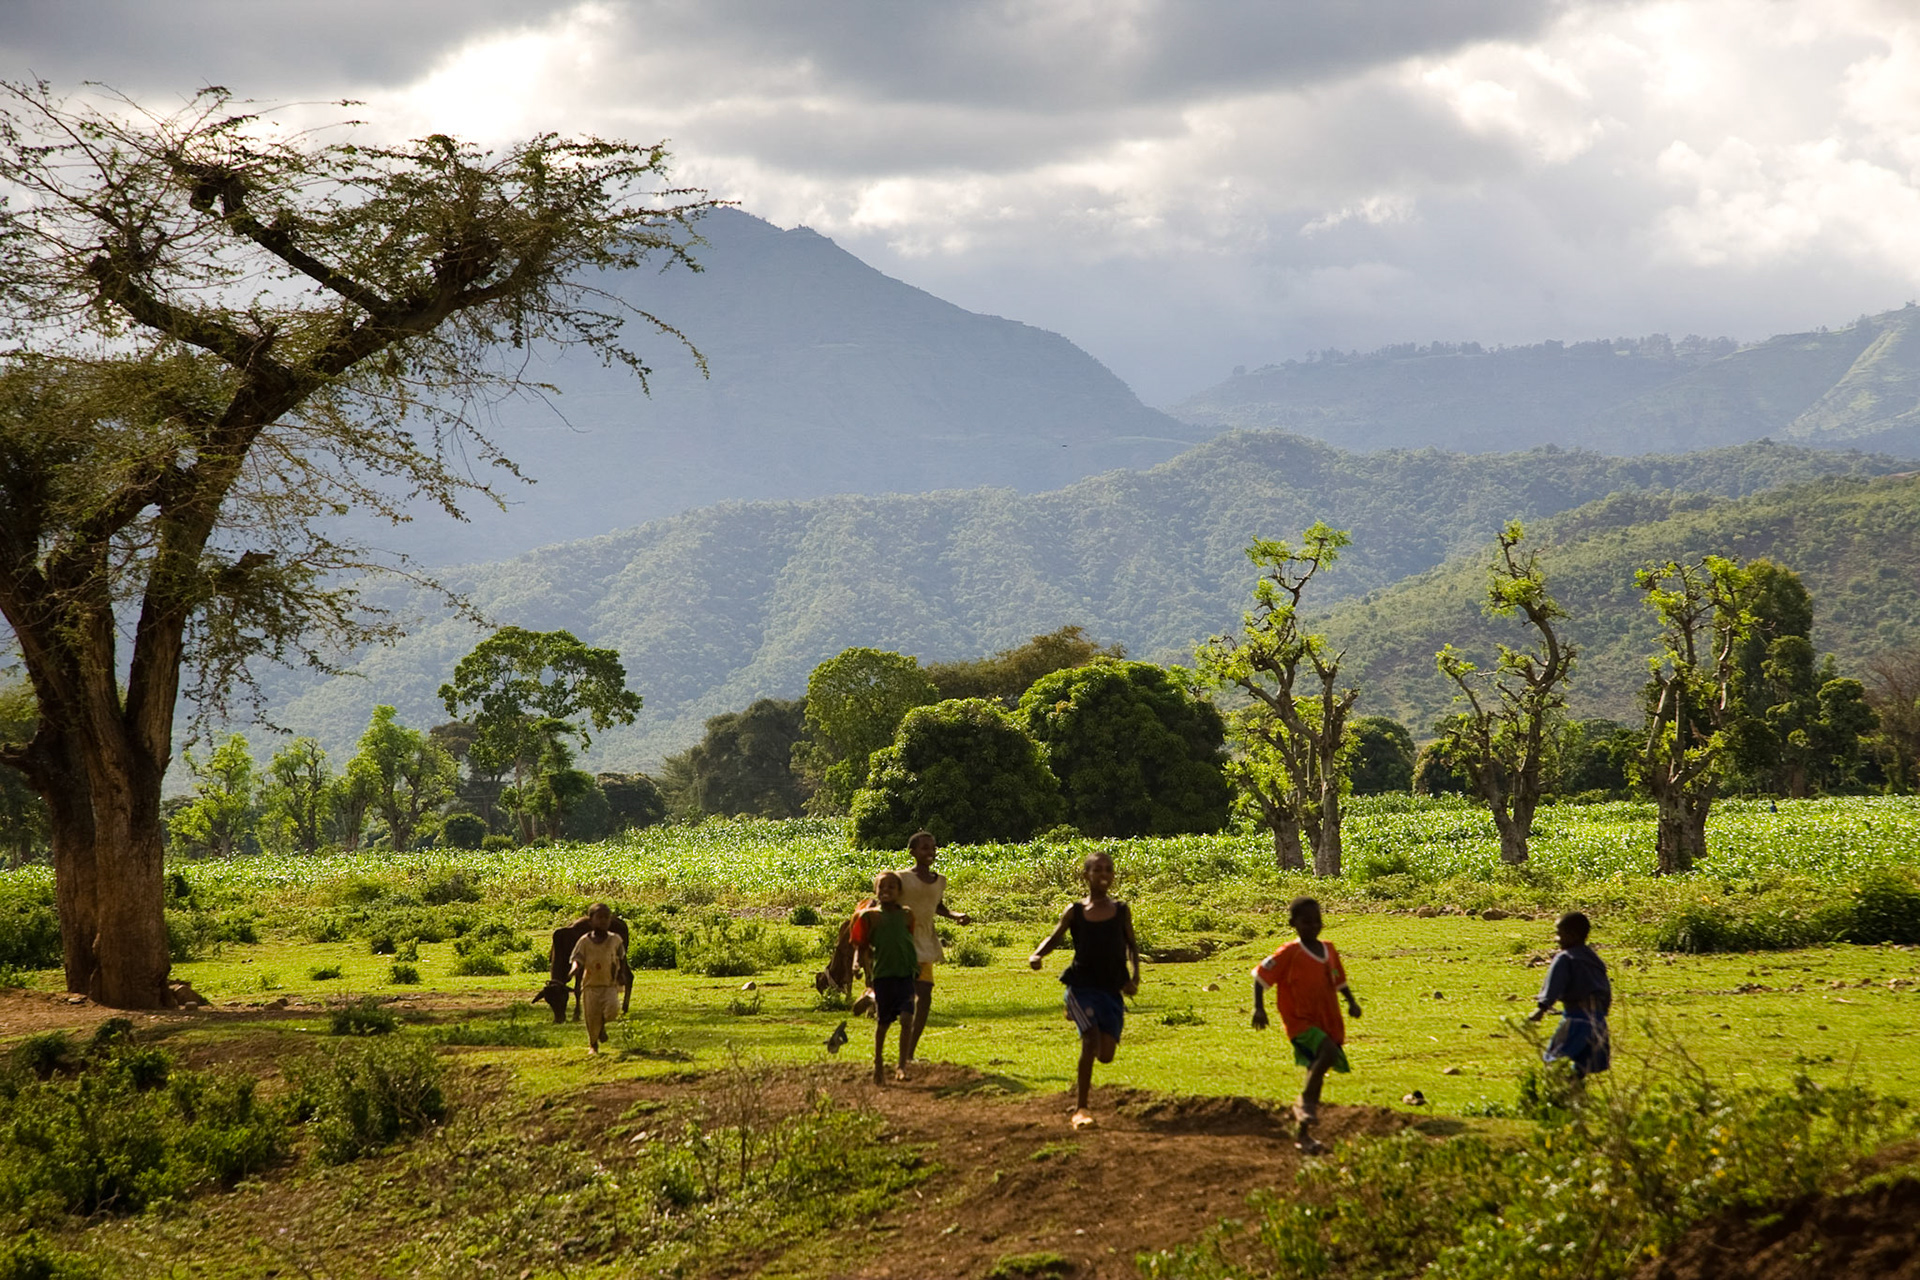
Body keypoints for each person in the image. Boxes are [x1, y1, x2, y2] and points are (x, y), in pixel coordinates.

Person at [1029, 849, 1140, 1130]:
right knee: (1089, 1041)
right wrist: (1037, 955)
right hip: (1081, 986)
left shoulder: (1121, 911)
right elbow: (1054, 937)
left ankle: (1079, 1014)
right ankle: (1081, 1108)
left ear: (1113, 876)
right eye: (1097, 870)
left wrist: (1134, 979)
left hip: (1111, 990)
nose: (1103, 874)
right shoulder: (1076, 911)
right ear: (1086, 875)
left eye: (1108, 870)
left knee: (1105, 1055)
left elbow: (1132, 946)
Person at [1252, 897, 1361, 1155]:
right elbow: (1260, 976)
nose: (1313, 926)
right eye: (1306, 922)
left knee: (1317, 1068)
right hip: (1299, 1020)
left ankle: (1303, 1133)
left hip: (1327, 1018)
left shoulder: (1329, 950)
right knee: (1327, 1053)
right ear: (1293, 924)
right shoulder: (1289, 952)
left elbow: (1339, 981)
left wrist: (1352, 1003)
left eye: (1317, 921)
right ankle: (1307, 1107)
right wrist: (1259, 1008)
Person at [892, 830, 972, 1064]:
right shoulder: (901, 878)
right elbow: (886, 902)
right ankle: (875, 1000)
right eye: (925, 848)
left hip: (925, 943)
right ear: (913, 852)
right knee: (905, 997)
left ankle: (910, 1053)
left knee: (924, 997)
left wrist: (956, 915)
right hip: (903, 943)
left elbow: (939, 906)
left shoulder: (939, 881)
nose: (931, 852)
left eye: (933, 847)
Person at [1527, 910, 1611, 1078]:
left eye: (1559, 934)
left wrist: (1542, 1008)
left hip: (1576, 1019)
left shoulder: (1565, 958)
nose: (1556, 939)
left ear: (1571, 935)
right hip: (1598, 1020)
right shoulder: (1593, 958)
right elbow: (1605, 987)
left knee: (1555, 1058)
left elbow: (1554, 984)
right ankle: (1577, 1092)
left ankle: (1557, 1095)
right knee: (1584, 1062)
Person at [853, 871, 919, 1085]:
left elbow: (908, 938)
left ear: (900, 892)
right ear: (876, 891)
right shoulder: (870, 917)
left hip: (906, 974)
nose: (886, 891)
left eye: (892, 887)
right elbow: (860, 944)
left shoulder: (907, 914)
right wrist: (856, 963)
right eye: (882, 887)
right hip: (883, 975)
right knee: (883, 1024)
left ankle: (901, 1066)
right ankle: (879, 1063)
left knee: (907, 1019)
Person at [567, 902, 629, 1056]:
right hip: (590, 986)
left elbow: (621, 957)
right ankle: (593, 1045)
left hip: (609, 984)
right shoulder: (584, 941)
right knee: (591, 1019)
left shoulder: (615, 939)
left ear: (610, 921)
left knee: (612, 1011)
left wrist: (621, 973)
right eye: (599, 917)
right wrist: (574, 968)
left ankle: (601, 1026)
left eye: (606, 918)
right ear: (590, 921)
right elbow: (577, 958)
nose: (603, 921)